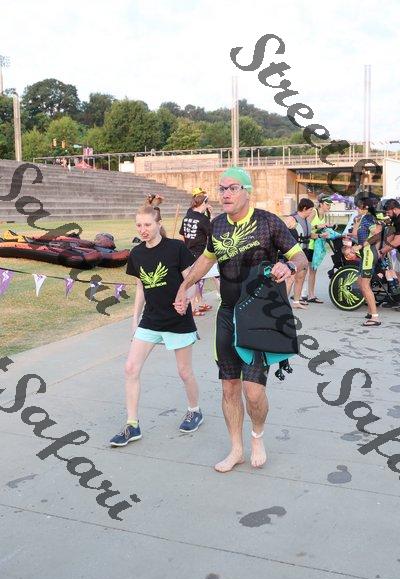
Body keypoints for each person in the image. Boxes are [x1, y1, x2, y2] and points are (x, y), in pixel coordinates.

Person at [174, 167, 307, 472]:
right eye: (222, 189)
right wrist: (184, 286)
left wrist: (288, 266)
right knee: (229, 387)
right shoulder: (217, 225)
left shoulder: (268, 222)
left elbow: (300, 258)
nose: (226, 194)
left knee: (254, 391)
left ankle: (257, 436)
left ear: (247, 191)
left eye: (233, 188)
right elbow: (205, 260)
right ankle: (236, 448)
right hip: (227, 312)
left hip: (259, 314)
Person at [110, 205, 203, 447]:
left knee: (184, 372)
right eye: (139, 225)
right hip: (150, 320)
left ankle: (194, 410)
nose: (143, 230)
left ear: (159, 224)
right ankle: (132, 425)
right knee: (130, 368)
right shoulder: (137, 253)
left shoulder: (176, 248)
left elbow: (191, 281)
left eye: (148, 225)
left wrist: (186, 299)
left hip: (178, 319)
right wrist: (134, 319)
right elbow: (141, 287)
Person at [179, 192, 220, 315]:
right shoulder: (203, 219)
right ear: (204, 204)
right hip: (201, 254)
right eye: (207, 203)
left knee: (196, 279)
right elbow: (213, 233)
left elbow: (182, 235)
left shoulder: (187, 217)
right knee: (214, 276)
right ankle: (193, 308)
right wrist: (211, 215)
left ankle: (199, 303)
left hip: (189, 252)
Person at [352, 197, 382, 326]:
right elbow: (355, 234)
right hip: (365, 254)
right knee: (360, 282)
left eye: (359, 206)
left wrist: (361, 245)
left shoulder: (369, 218)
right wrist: (357, 222)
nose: (357, 208)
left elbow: (377, 235)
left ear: (365, 208)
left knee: (365, 285)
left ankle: (375, 318)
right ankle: (371, 311)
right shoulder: (363, 218)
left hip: (369, 254)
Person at [284, 197, 314, 308]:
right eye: (310, 210)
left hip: (304, 251)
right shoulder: (291, 219)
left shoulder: (306, 221)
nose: (311, 212)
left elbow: (308, 235)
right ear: (304, 208)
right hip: (294, 253)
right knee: (290, 278)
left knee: (301, 277)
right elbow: (280, 232)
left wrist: (321, 235)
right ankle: (282, 304)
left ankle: (296, 302)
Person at [303, 197, 332, 303]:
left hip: (316, 246)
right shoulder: (314, 212)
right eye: (327, 204)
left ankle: (310, 295)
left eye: (330, 205)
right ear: (321, 204)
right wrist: (319, 226)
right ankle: (302, 294)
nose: (329, 206)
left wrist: (327, 228)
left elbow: (319, 228)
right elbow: (305, 227)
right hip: (308, 245)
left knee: (313, 271)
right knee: (304, 271)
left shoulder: (323, 215)